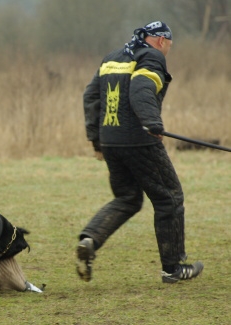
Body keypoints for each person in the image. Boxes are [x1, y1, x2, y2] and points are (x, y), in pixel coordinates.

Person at [77, 21, 203, 283]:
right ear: (160, 40)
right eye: (169, 44)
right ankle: (173, 268)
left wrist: (96, 140)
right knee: (169, 198)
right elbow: (141, 88)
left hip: (111, 140)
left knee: (127, 198)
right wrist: (151, 122)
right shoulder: (152, 56)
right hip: (139, 140)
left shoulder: (113, 58)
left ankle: (90, 238)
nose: (168, 49)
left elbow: (91, 96)